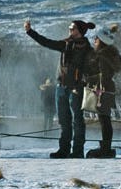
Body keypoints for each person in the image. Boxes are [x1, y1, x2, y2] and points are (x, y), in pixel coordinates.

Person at [26, 19, 95, 159]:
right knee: (63, 120)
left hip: (76, 88)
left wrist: (84, 81)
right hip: (61, 86)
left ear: (80, 31)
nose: (70, 30)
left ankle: (77, 151)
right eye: (69, 27)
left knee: (77, 120)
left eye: (73, 28)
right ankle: (63, 149)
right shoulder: (66, 44)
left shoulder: (87, 49)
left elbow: (92, 70)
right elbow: (47, 42)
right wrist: (30, 32)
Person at [85, 25, 121, 158]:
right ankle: (106, 146)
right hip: (107, 89)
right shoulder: (110, 54)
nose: (94, 40)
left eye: (96, 38)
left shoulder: (102, 56)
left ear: (101, 40)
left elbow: (103, 74)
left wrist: (96, 88)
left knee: (104, 120)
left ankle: (105, 148)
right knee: (105, 119)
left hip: (101, 90)